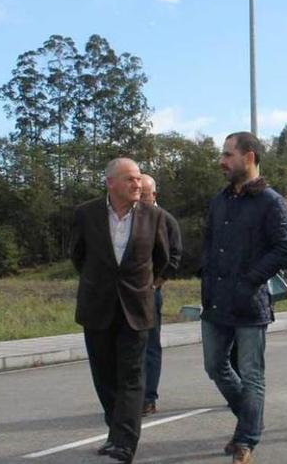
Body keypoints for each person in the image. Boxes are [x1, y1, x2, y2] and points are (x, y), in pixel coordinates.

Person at [200, 131, 287, 464]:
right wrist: (206, 281)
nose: (222, 161)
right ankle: (251, 419)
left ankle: (246, 440)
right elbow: (209, 246)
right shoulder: (219, 200)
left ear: (249, 157)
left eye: (228, 155)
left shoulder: (272, 201)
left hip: (250, 303)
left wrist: (251, 279)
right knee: (214, 365)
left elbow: (286, 249)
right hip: (215, 302)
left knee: (252, 373)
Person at [69, 158, 170, 464]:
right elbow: (77, 255)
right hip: (97, 306)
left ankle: (126, 442)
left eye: (138, 179)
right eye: (129, 179)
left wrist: (146, 287)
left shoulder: (154, 216)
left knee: (132, 377)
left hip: (136, 308)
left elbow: (162, 259)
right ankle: (114, 433)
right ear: (110, 183)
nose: (136, 184)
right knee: (104, 376)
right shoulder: (85, 214)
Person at [139, 174, 183, 417]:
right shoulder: (129, 216)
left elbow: (175, 256)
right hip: (126, 293)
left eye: (144, 195)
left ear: (154, 195)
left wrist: (157, 283)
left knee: (150, 346)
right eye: (138, 196)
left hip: (151, 292)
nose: (141, 200)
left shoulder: (166, 220)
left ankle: (149, 398)